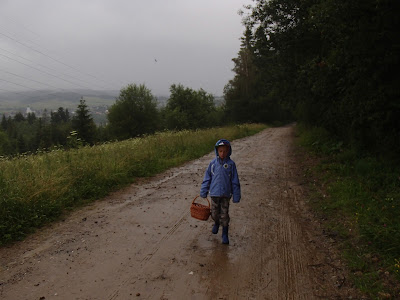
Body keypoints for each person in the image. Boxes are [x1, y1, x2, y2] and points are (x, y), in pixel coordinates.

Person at [200, 139, 241, 244]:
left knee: (224, 214)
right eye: (220, 151)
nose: (223, 153)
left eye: (225, 151)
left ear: (229, 151)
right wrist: (204, 190)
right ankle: (216, 223)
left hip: (226, 194)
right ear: (217, 151)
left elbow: (235, 180)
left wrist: (236, 195)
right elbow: (207, 178)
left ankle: (225, 233)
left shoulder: (231, 165)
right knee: (214, 213)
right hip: (214, 194)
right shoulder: (212, 164)